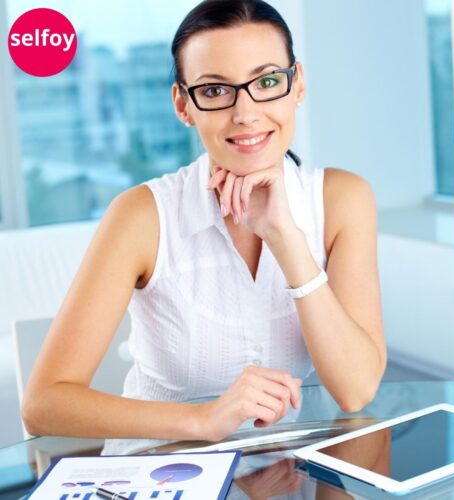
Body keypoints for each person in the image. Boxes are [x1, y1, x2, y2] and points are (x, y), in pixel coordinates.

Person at [21, 0, 386, 448]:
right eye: (215, 91)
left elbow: (356, 390)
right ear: (183, 104)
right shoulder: (141, 215)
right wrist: (202, 420)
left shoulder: (343, 200)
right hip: (159, 468)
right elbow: (43, 404)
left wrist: (286, 238)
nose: (245, 113)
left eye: (268, 81)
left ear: (298, 85)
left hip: (286, 464)